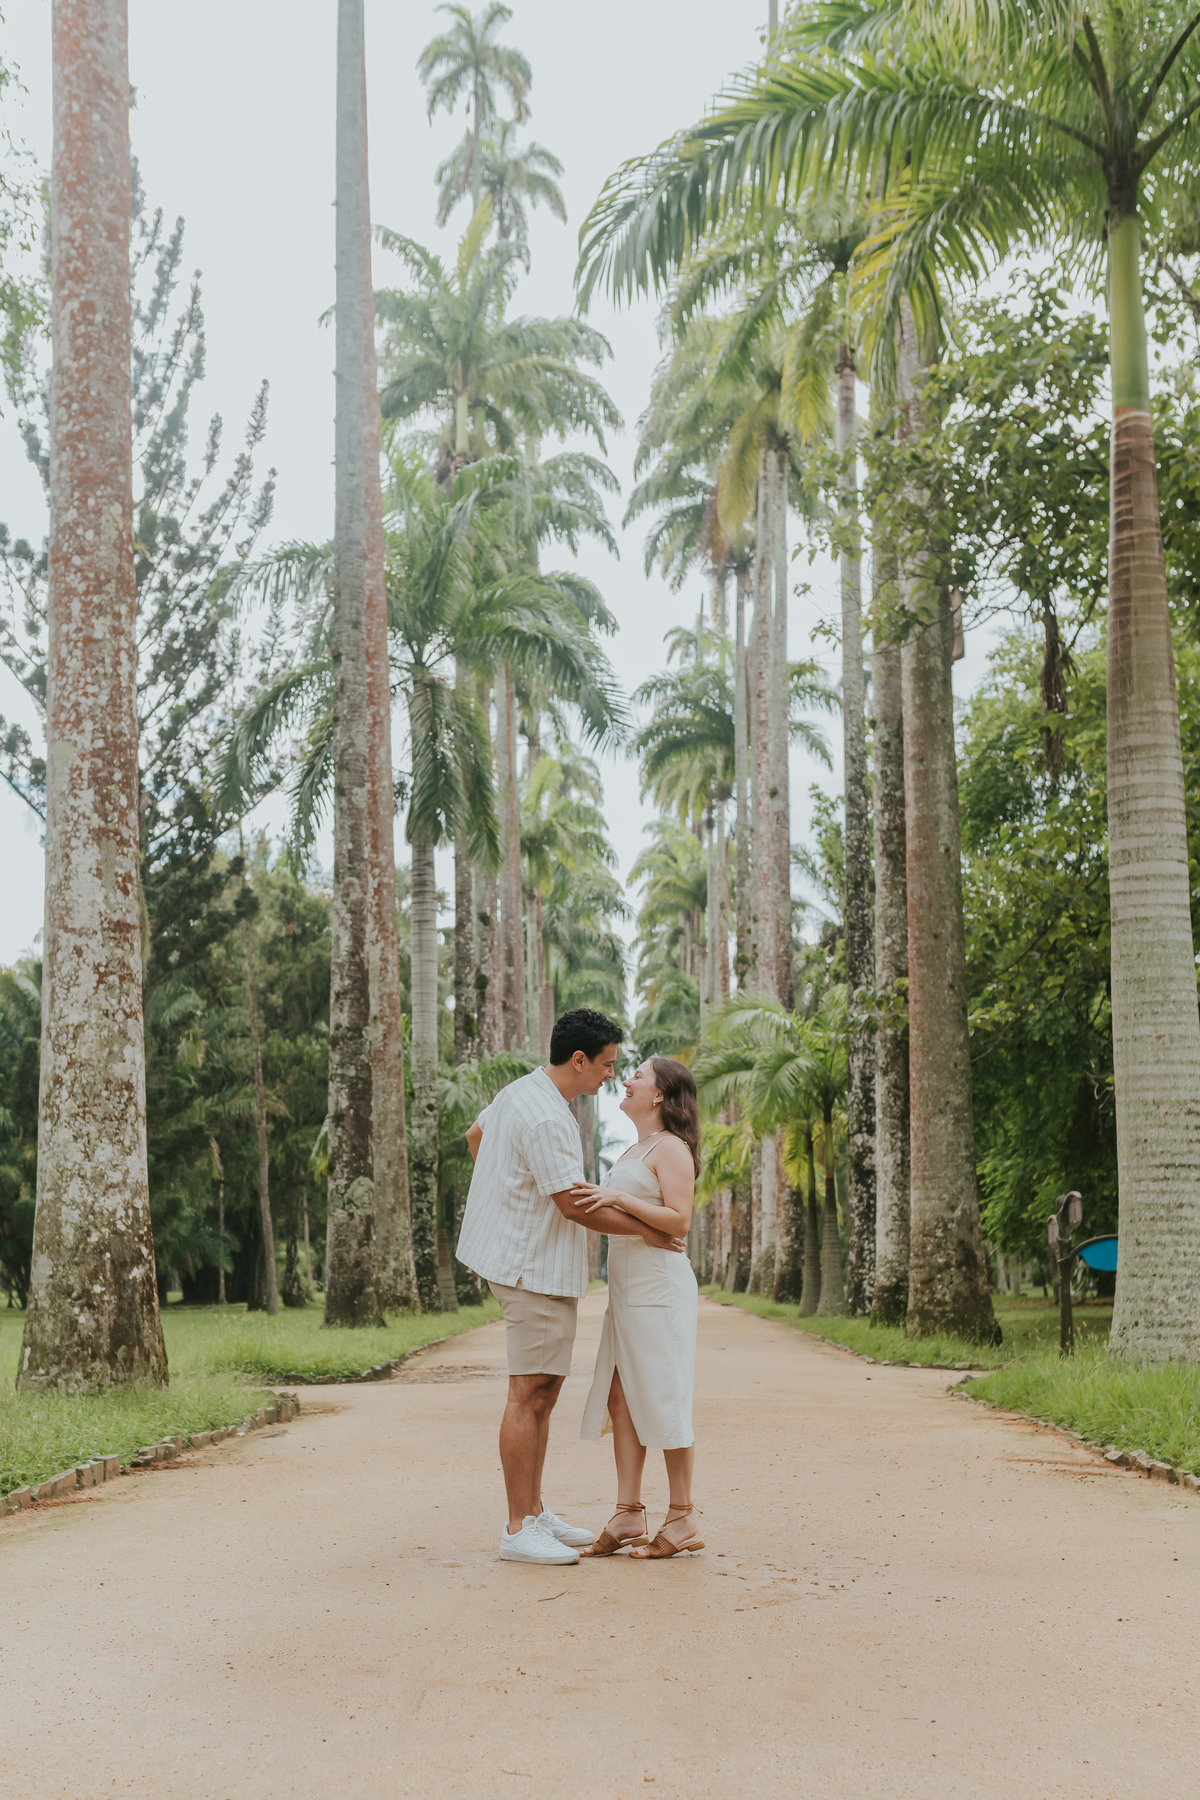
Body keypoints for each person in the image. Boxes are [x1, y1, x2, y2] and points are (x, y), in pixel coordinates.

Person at [458, 1009, 688, 1566]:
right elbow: (574, 1206)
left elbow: (475, 1136)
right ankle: (519, 1527)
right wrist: (649, 1233)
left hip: (526, 1261)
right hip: (531, 1266)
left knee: (543, 1389)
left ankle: (534, 1513)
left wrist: (506, 1196)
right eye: (607, 1065)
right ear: (579, 1060)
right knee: (529, 1392)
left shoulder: (522, 1093)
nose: (612, 1075)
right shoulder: (548, 1119)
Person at [572, 1057, 703, 1559]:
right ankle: (628, 1511)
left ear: (661, 1095)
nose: (626, 1081)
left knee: (664, 1393)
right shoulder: (635, 1148)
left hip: (659, 1289)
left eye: (639, 1076)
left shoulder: (671, 1147)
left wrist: (617, 1199)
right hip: (627, 1290)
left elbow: (679, 1220)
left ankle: (683, 1515)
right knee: (620, 1397)